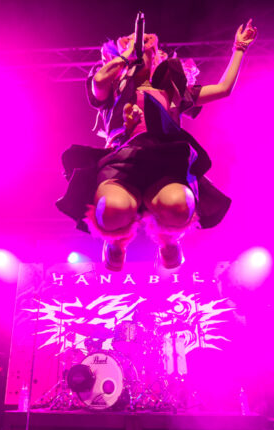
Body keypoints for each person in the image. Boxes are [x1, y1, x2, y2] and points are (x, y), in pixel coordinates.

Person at [56, 18, 257, 271]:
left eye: (147, 42)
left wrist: (239, 48)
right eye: (134, 41)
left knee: (179, 206)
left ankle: (169, 239)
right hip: (121, 163)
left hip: (165, 164)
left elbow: (223, 89)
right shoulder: (113, 86)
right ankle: (116, 242)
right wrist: (128, 56)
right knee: (113, 210)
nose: (142, 43)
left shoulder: (173, 91)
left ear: (158, 56)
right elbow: (97, 82)